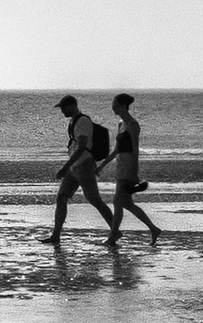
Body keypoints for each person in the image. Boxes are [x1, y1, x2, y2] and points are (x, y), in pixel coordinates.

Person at [41, 94, 115, 245]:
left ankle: (115, 231)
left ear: (72, 106)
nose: (62, 111)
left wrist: (65, 167)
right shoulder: (74, 121)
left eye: (63, 107)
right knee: (61, 197)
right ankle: (55, 235)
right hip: (75, 167)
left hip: (84, 166)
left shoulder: (83, 121)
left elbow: (82, 147)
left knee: (95, 200)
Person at [98, 92, 162, 246]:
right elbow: (116, 150)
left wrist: (134, 172)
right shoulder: (121, 124)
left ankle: (113, 237)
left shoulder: (133, 125)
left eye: (114, 104)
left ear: (122, 106)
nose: (112, 107)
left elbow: (135, 149)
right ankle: (153, 229)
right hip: (120, 167)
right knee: (125, 204)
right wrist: (101, 165)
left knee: (117, 202)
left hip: (128, 168)